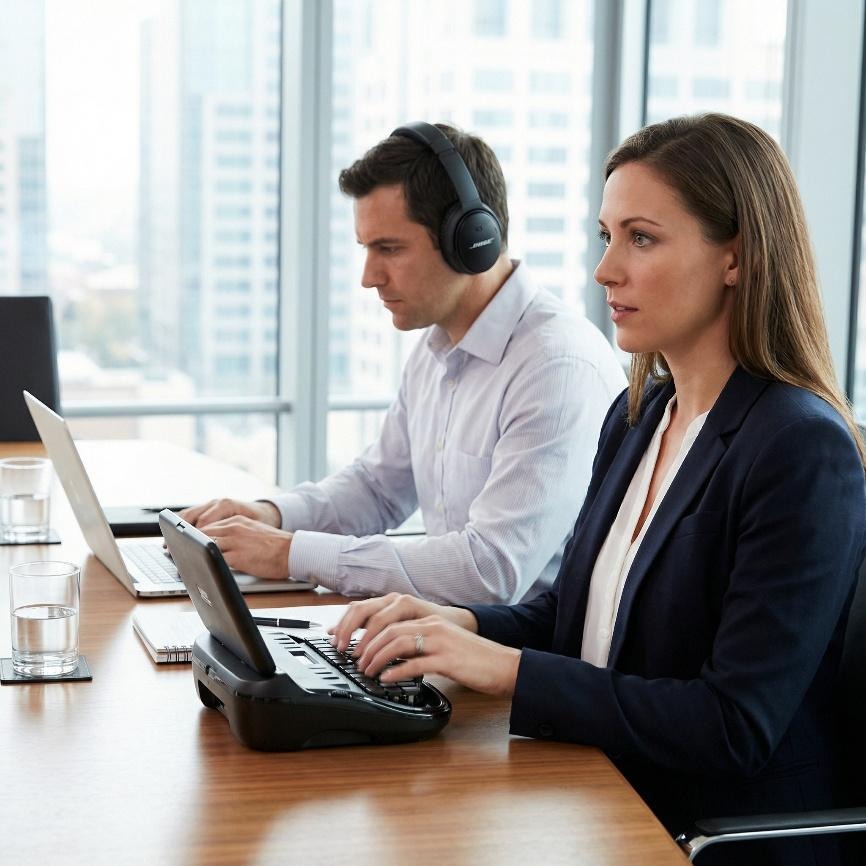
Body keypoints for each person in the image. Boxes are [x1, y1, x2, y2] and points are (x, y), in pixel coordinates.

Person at [330, 114, 866, 866]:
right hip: (601, 789)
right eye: (605, 237)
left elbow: (733, 724)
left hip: (698, 836)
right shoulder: (642, 413)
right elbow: (580, 617)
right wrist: (459, 627)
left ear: (736, 257)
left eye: (641, 238)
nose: (605, 270)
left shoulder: (799, 448)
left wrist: (510, 673)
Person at [183, 122, 625, 604]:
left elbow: (490, 572)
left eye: (389, 249)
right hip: (444, 641)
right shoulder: (437, 350)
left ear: (472, 239)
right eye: (367, 249)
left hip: (513, 663)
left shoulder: (555, 366)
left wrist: (290, 552)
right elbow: (378, 489)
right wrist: (269, 515)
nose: (369, 277)